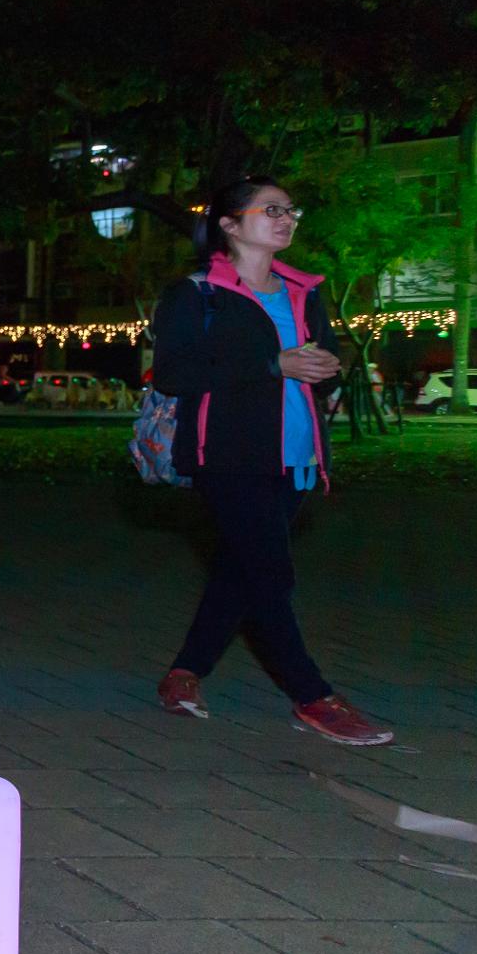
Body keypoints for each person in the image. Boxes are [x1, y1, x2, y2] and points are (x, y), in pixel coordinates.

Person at [150, 176, 392, 745]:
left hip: (298, 455)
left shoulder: (305, 291)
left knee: (240, 572)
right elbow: (173, 373)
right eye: (272, 210)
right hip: (228, 455)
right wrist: (271, 366)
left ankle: (184, 674)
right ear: (229, 225)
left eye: (291, 211)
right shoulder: (197, 294)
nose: (287, 220)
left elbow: (320, 363)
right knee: (269, 574)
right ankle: (313, 697)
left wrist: (325, 368)